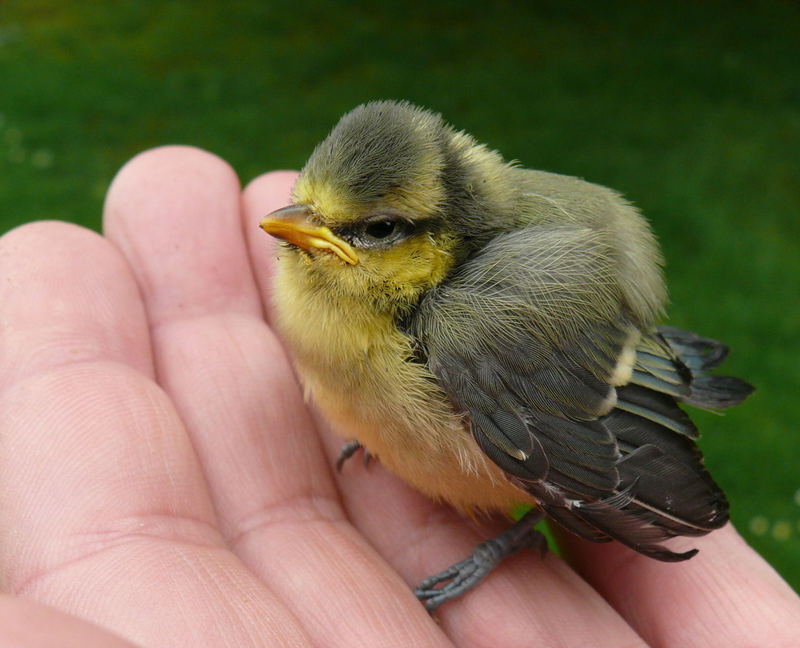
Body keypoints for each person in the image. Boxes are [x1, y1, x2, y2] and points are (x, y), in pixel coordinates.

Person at [0, 146, 797, 647]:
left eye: (367, 231)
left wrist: (524, 525)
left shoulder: (473, 331)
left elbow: (599, 441)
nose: (300, 231)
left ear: (435, 236)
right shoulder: (335, 296)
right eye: (312, 207)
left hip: (563, 348)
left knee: (552, 455)